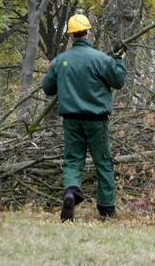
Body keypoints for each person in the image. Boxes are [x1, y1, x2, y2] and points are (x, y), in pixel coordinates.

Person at [41, 14, 126, 222]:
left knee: (73, 160)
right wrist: (119, 60)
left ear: (71, 36)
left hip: (71, 120)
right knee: (103, 162)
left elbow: (47, 88)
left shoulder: (61, 61)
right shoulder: (101, 59)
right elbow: (118, 81)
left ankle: (71, 191)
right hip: (97, 120)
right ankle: (106, 209)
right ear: (89, 32)